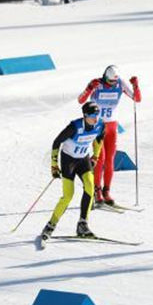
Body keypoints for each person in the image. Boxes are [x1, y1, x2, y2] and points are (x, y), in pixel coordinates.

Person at [37, 101, 105, 247]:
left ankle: (83, 224)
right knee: (68, 195)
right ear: (85, 115)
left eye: (97, 114)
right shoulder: (74, 127)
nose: (96, 118)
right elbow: (56, 142)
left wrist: (95, 156)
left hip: (84, 159)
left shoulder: (100, 125)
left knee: (90, 186)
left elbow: (99, 139)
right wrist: (54, 165)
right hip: (69, 161)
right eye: (93, 115)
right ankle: (51, 225)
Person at [77, 65, 141, 206]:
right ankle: (97, 191)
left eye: (114, 82)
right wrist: (89, 88)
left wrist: (136, 85)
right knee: (100, 159)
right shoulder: (97, 84)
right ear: (105, 77)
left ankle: (106, 191)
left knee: (110, 160)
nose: (112, 84)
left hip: (112, 126)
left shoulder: (120, 83)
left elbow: (137, 99)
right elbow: (81, 100)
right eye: (110, 81)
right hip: (97, 126)